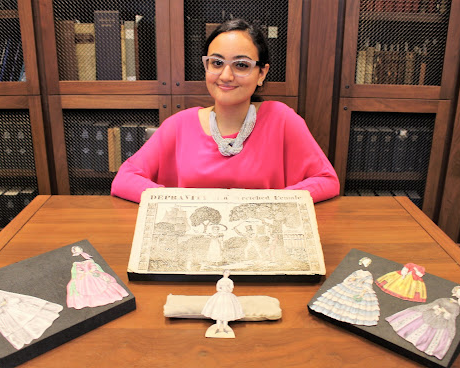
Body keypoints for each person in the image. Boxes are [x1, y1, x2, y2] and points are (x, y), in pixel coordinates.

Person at [111, 19, 340, 203]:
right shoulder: (179, 125)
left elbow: (327, 180)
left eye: (241, 65)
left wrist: (274, 204)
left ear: (261, 73)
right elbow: (125, 179)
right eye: (217, 63)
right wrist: (176, 202)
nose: (226, 76)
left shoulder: (282, 119)